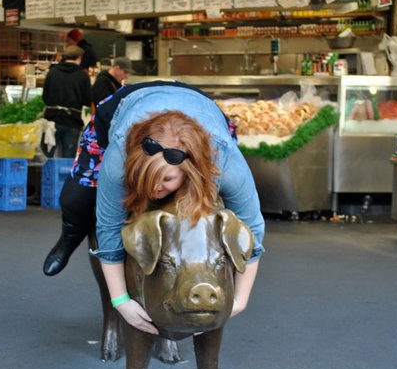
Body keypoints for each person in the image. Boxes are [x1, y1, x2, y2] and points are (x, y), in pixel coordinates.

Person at [42, 81, 265, 334]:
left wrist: (240, 299)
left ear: (188, 171)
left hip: (201, 108)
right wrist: (120, 301)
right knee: (75, 198)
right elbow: (109, 225)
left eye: (167, 179)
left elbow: (253, 228)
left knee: (198, 205)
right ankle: (68, 238)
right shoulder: (119, 157)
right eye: (145, 178)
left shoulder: (223, 160)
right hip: (126, 107)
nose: (155, 188)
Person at [41, 45, 92, 157]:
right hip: (72, 121)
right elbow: (87, 100)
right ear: (79, 58)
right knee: (68, 159)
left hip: (52, 121)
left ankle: (48, 170)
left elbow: (45, 97)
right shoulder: (82, 75)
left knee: (47, 157)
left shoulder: (52, 72)